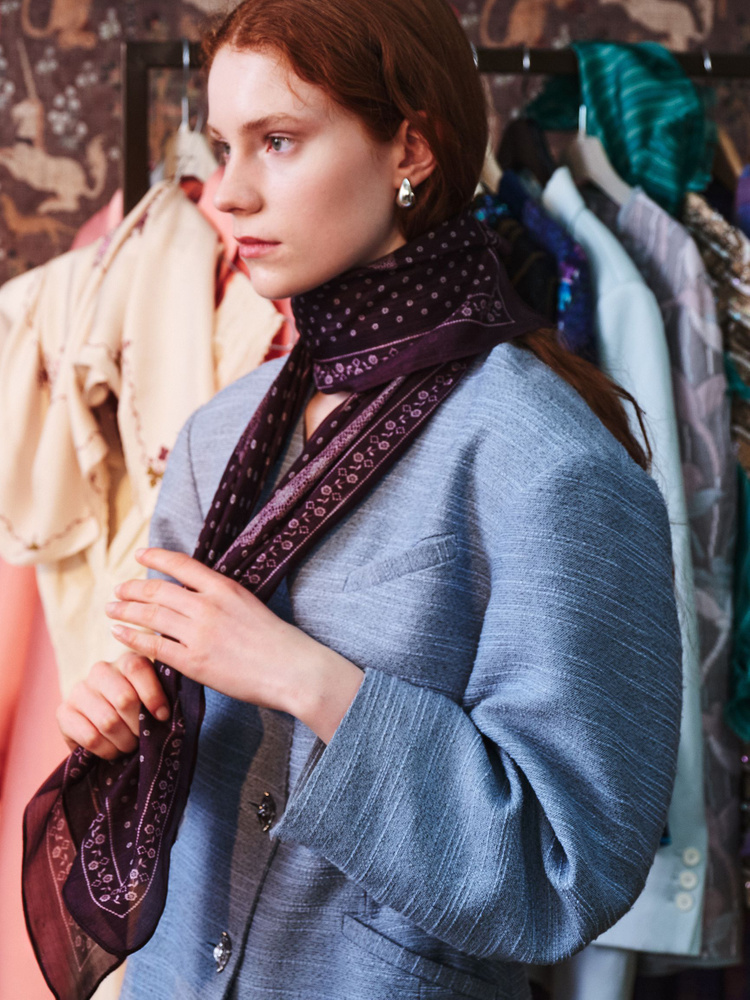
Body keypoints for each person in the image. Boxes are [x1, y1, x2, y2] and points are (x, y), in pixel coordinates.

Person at [32, 1, 681, 998]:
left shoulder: (551, 462)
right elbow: (179, 728)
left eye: (279, 141)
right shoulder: (218, 435)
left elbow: (567, 869)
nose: (228, 193)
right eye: (223, 147)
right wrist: (125, 717)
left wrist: (307, 679)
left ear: (410, 148)